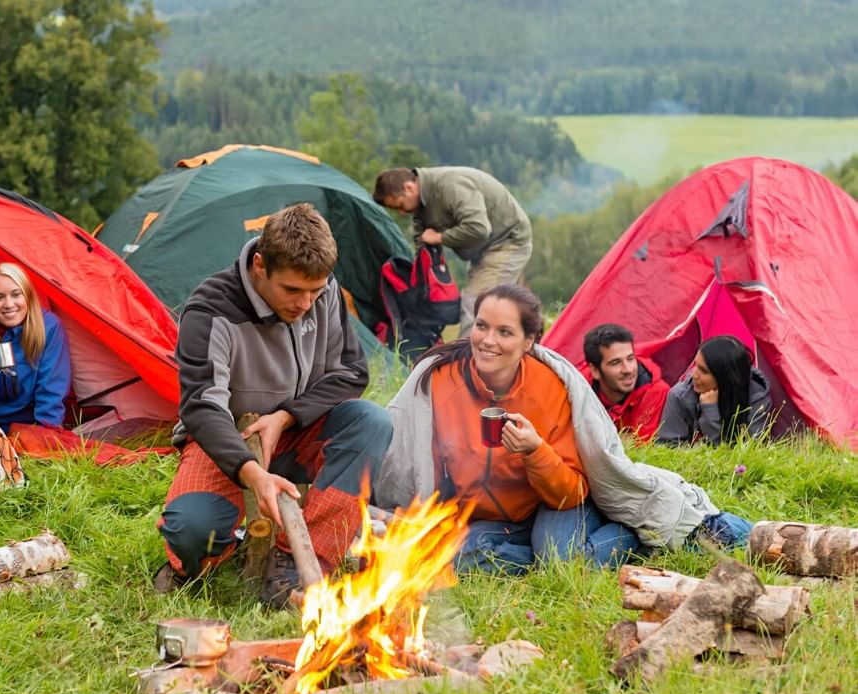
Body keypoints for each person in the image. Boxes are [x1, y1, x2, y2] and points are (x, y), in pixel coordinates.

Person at [374, 285, 755, 573]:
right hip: (490, 516)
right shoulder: (442, 381)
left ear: (529, 341)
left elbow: (570, 489)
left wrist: (535, 451)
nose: (488, 341)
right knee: (453, 560)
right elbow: (408, 453)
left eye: (504, 332)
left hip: (558, 502)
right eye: (481, 326)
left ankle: (631, 537)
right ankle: (530, 556)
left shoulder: (549, 388)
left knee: (558, 559)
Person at [154, 203, 393, 608]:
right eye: (293, 290)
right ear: (260, 266)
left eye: (315, 291)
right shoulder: (211, 308)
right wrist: (252, 473)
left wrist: (286, 416)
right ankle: (199, 561)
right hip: (228, 439)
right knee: (194, 533)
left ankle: (296, 567)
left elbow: (351, 372)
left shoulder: (325, 293)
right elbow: (201, 407)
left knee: (371, 420)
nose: (305, 304)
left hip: (299, 431)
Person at [374, 166, 533, 338]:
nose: (402, 212)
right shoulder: (422, 203)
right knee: (506, 305)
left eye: (401, 206)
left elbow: (479, 228)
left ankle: (465, 361)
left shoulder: (451, 186)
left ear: (409, 188)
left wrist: (440, 238)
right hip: (482, 249)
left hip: (507, 242)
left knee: (475, 303)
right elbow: (422, 241)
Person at [0, 262, 71, 434]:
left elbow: (51, 391)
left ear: (28, 296)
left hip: (34, 425)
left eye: (16, 294)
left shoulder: (49, 328)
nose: (8, 304)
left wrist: (45, 436)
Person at [658, 335, 773, 445]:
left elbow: (752, 451)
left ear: (725, 377)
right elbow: (667, 447)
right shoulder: (680, 396)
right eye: (696, 365)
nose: (694, 375)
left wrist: (710, 411)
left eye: (704, 371)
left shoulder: (756, 399)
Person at [581, 323, 671, 443]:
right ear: (595, 370)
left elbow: (641, 447)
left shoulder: (656, 391)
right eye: (615, 362)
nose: (628, 369)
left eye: (630, 358)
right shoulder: (579, 388)